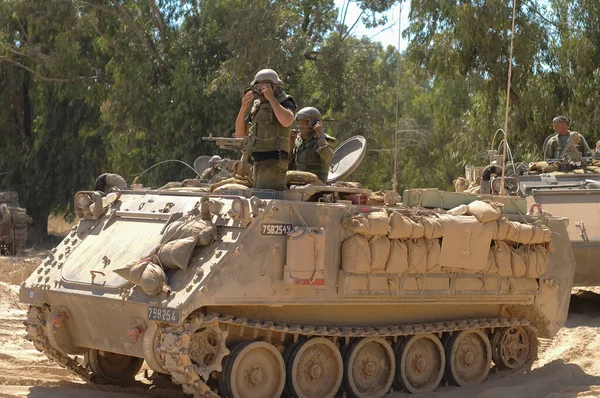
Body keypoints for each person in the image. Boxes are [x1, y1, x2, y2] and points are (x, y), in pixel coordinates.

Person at [235, 69, 296, 190]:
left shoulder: (285, 101)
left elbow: (287, 120)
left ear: (276, 86)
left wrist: (271, 98)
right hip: (258, 161)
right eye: (259, 85)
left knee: (268, 200)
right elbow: (240, 134)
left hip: (274, 161)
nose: (263, 89)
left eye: (267, 85)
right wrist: (243, 108)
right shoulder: (257, 106)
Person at [291, 107, 336, 183]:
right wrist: (290, 144)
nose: (300, 127)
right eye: (299, 124)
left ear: (313, 123)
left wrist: (320, 136)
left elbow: (327, 158)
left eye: (303, 123)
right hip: (298, 183)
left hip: (316, 186)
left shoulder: (323, 140)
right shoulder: (298, 140)